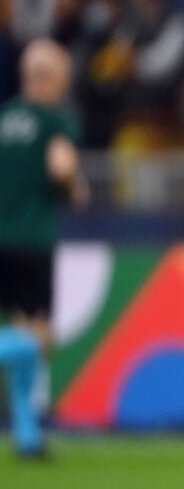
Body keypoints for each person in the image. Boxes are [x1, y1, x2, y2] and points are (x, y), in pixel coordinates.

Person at [0, 38, 87, 459]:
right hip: (32, 240)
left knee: (21, 333)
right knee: (39, 340)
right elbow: (61, 166)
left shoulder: (4, 117)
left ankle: (26, 435)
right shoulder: (55, 120)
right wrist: (74, 188)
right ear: (54, 79)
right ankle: (27, 430)